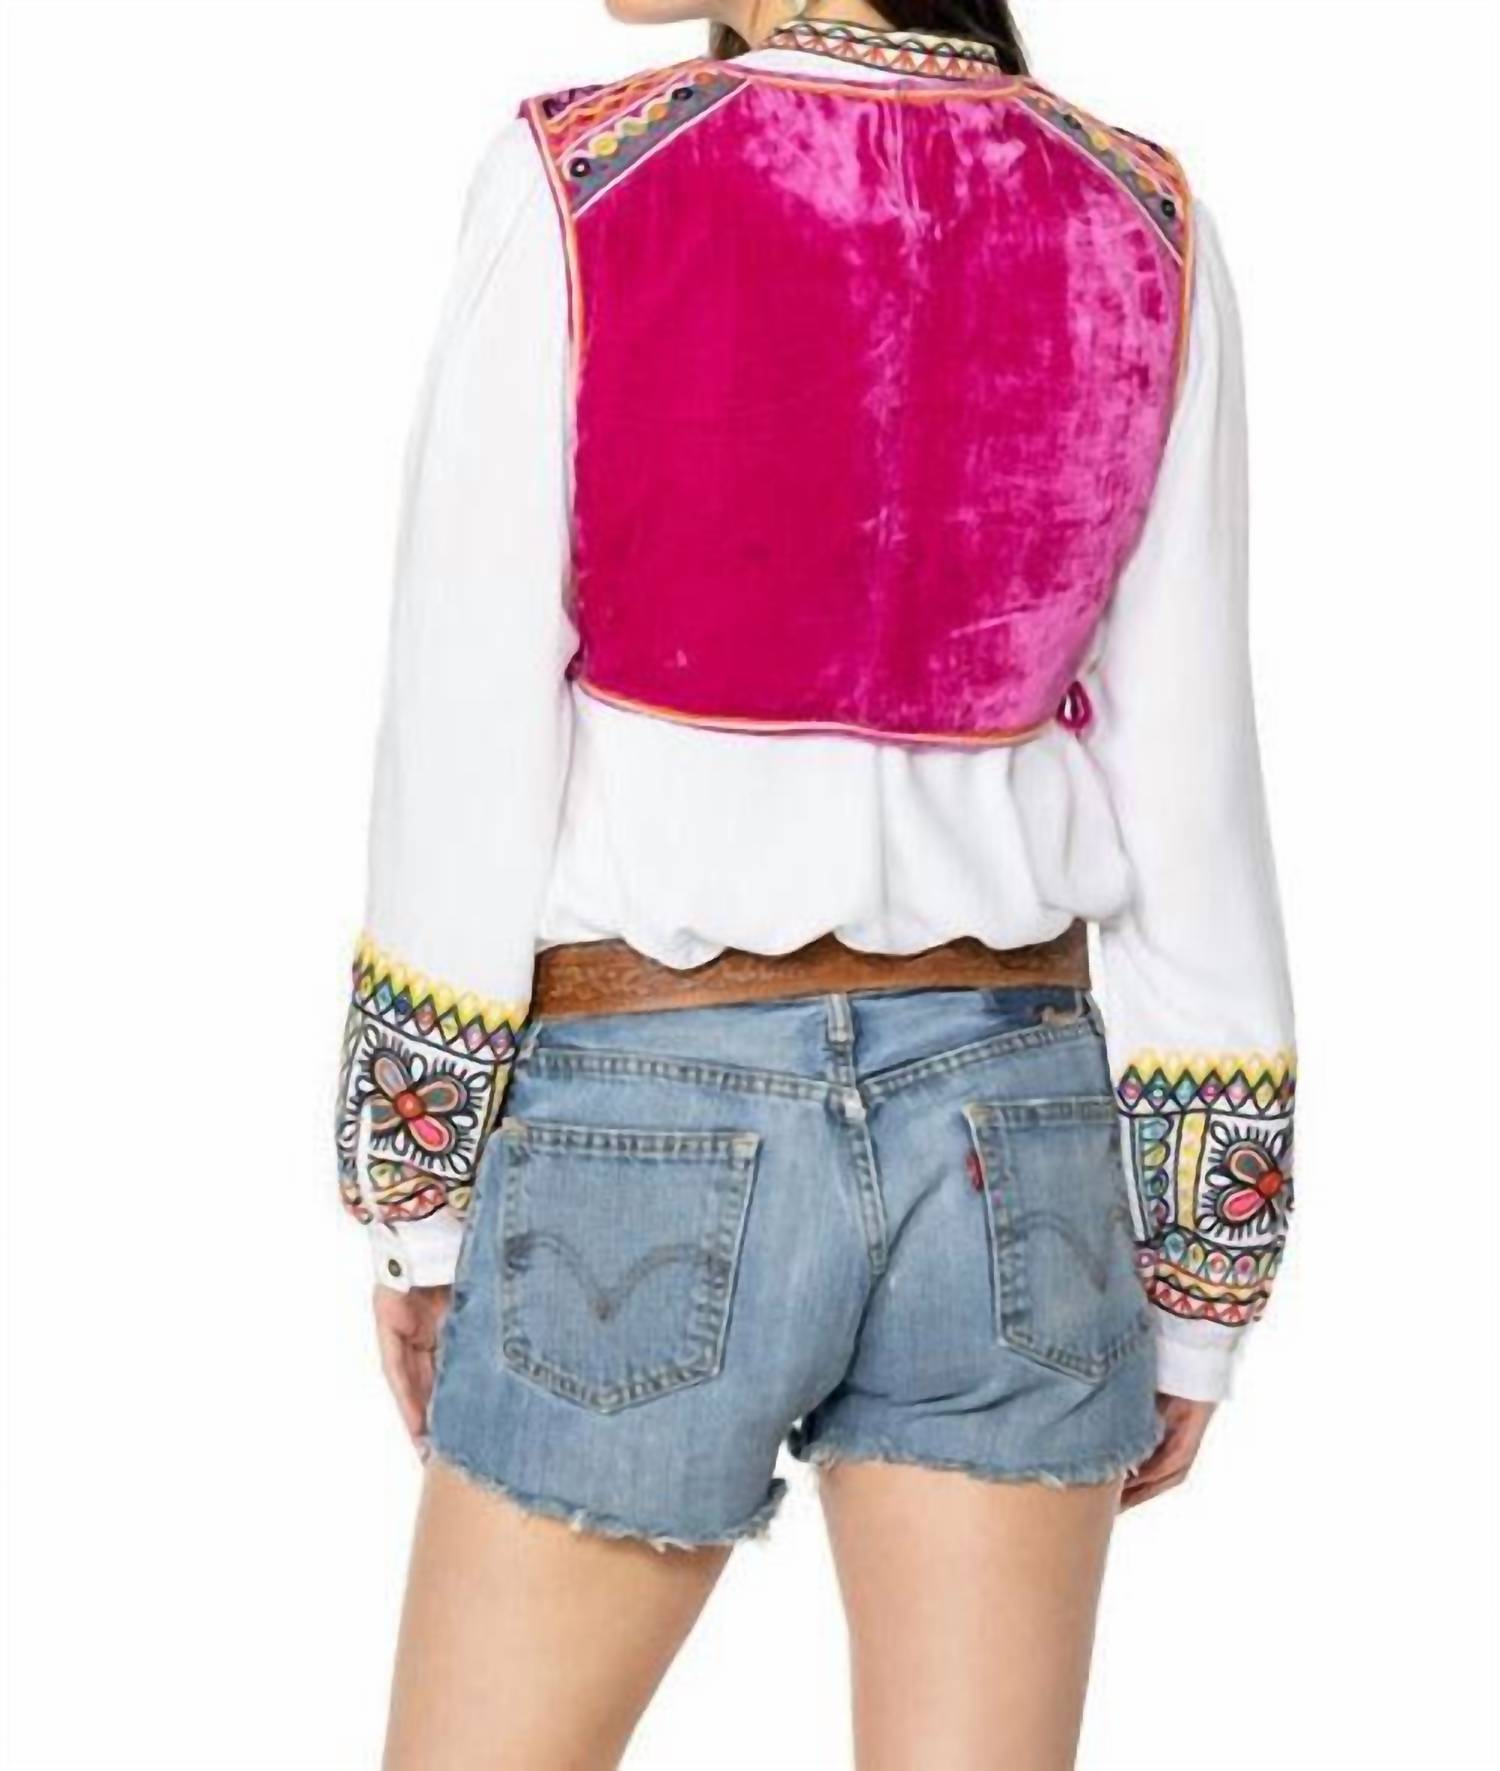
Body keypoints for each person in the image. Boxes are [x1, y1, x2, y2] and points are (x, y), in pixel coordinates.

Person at [335, 3, 1297, 1764]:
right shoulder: (1141, 210)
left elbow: (463, 727)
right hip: (1023, 1131)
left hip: (651, 1115)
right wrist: (1204, 1285)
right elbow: (1193, 782)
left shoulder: (585, 182)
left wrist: (419, 1194)